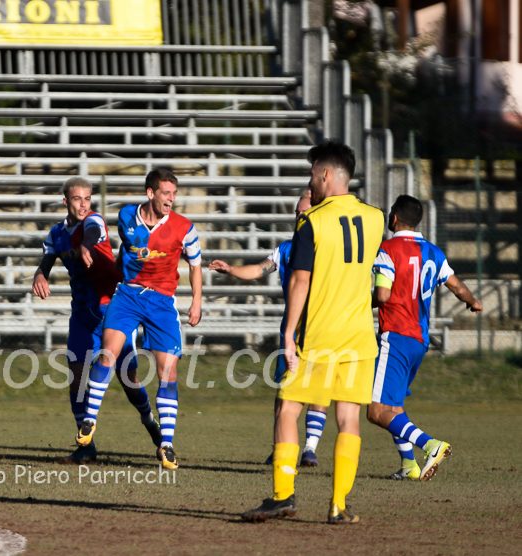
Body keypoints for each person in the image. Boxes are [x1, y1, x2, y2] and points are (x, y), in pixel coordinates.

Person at [242, 141, 384, 524]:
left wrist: (289, 333)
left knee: (288, 409)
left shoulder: (312, 221)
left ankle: (282, 496)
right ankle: (339, 505)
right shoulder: (376, 219)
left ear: (325, 174)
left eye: (312, 175)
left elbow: (300, 281)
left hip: (320, 336)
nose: (311, 182)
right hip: (360, 338)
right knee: (349, 418)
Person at [75, 168, 203, 470]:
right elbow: (124, 250)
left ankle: (166, 444)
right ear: (150, 193)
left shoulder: (184, 228)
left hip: (162, 302)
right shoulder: (126, 217)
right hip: (128, 295)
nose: (171, 200)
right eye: (166, 193)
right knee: (107, 354)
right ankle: (89, 420)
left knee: (167, 371)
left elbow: (195, 265)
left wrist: (197, 301)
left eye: (174, 194)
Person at [32, 177, 162, 464]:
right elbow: (46, 262)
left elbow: (92, 231)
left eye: (87, 198)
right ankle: (86, 446)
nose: (83, 204)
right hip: (82, 313)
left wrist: (86, 246)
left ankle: (149, 421)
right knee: (76, 377)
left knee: (129, 379)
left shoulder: (94, 221)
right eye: (77, 199)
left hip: (112, 310)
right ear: (65, 201)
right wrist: (40, 275)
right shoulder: (56, 234)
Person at [209, 189, 328, 467]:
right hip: (292, 329)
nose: (299, 217)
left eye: (304, 212)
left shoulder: (326, 248)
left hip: (321, 327)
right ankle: (280, 446)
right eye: (297, 213)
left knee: (318, 388)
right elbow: (259, 269)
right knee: (283, 389)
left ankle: (310, 448)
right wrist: (231, 269)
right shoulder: (286, 249)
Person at [367, 194, 482, 480]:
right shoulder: (433, 252)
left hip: (396, 336)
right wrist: (473, 301)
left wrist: (359, 303)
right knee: (394, 407)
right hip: (419, 340)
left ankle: (430, 444)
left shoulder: (388, 249)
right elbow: (456, 285)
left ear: (394, 218)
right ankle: (409, 465)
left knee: (376, 411)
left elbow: (383, 295)